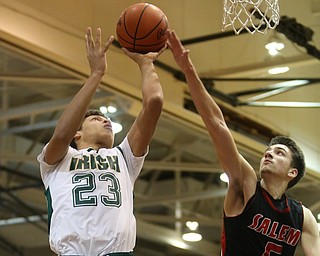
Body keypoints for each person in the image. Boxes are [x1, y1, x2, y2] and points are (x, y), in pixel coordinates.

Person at [166, 29, 320, 256]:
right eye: (268, 151)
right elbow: (217, 124)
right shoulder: (245, 185)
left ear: (292, 172)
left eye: (279, 153)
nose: (268, 154)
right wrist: (189, 71)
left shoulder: (303, 217)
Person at [37, 27, 165, 256]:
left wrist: (146, 63)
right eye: (97, 119)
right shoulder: (57, 161)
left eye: (108, 120)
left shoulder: (124, 156)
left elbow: (154, 102)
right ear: (77, 134)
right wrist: (96, 74)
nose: (106, 122)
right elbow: (61, 135)